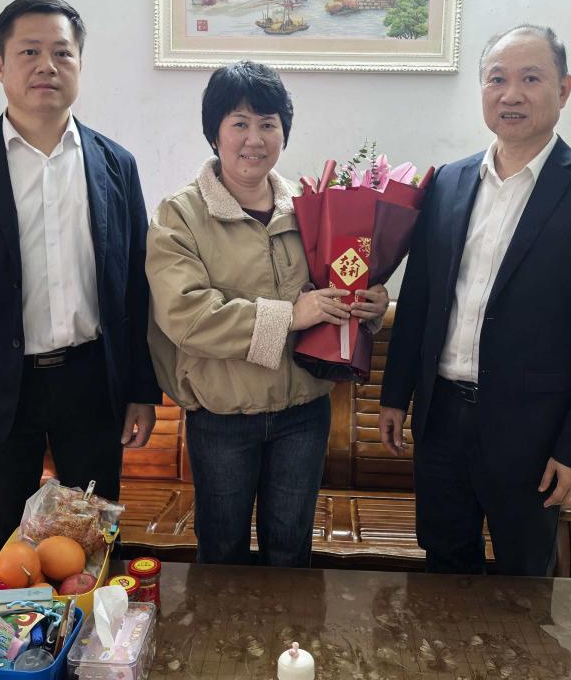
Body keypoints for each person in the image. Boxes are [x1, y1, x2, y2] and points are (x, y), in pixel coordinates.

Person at [378, 25, 571, 576]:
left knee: (525, 583)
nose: (511, 94)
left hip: (533, 432)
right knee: (444, 566)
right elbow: (420, 299)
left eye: (531, 79)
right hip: (442, 419)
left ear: (564, 90)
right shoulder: (448, 183)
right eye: (497, 79)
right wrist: (395, 395)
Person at [0, 0, 160, 574]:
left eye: (61, 52)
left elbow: (135, 290)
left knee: (92, 545)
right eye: (29, 52)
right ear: (0, 64)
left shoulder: (116, 165)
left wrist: (141, 390)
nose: (46, 66)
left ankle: (94, 635)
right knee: (9, 546)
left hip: (91, 384)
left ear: (79, 64)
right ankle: (17, 636)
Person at [146, 61, 389, 567]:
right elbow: (187, 315)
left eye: (268, 123)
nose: (254, 139)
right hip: (223, 418)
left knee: (291, 551)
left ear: (283, 132)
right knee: (222, 553)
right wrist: (290, 316)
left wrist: (368, 303)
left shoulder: (313, 207)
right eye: (239, 123)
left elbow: (334, 288)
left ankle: (290, 627)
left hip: (303, 414)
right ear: (214, 132)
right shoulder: (180, 214)